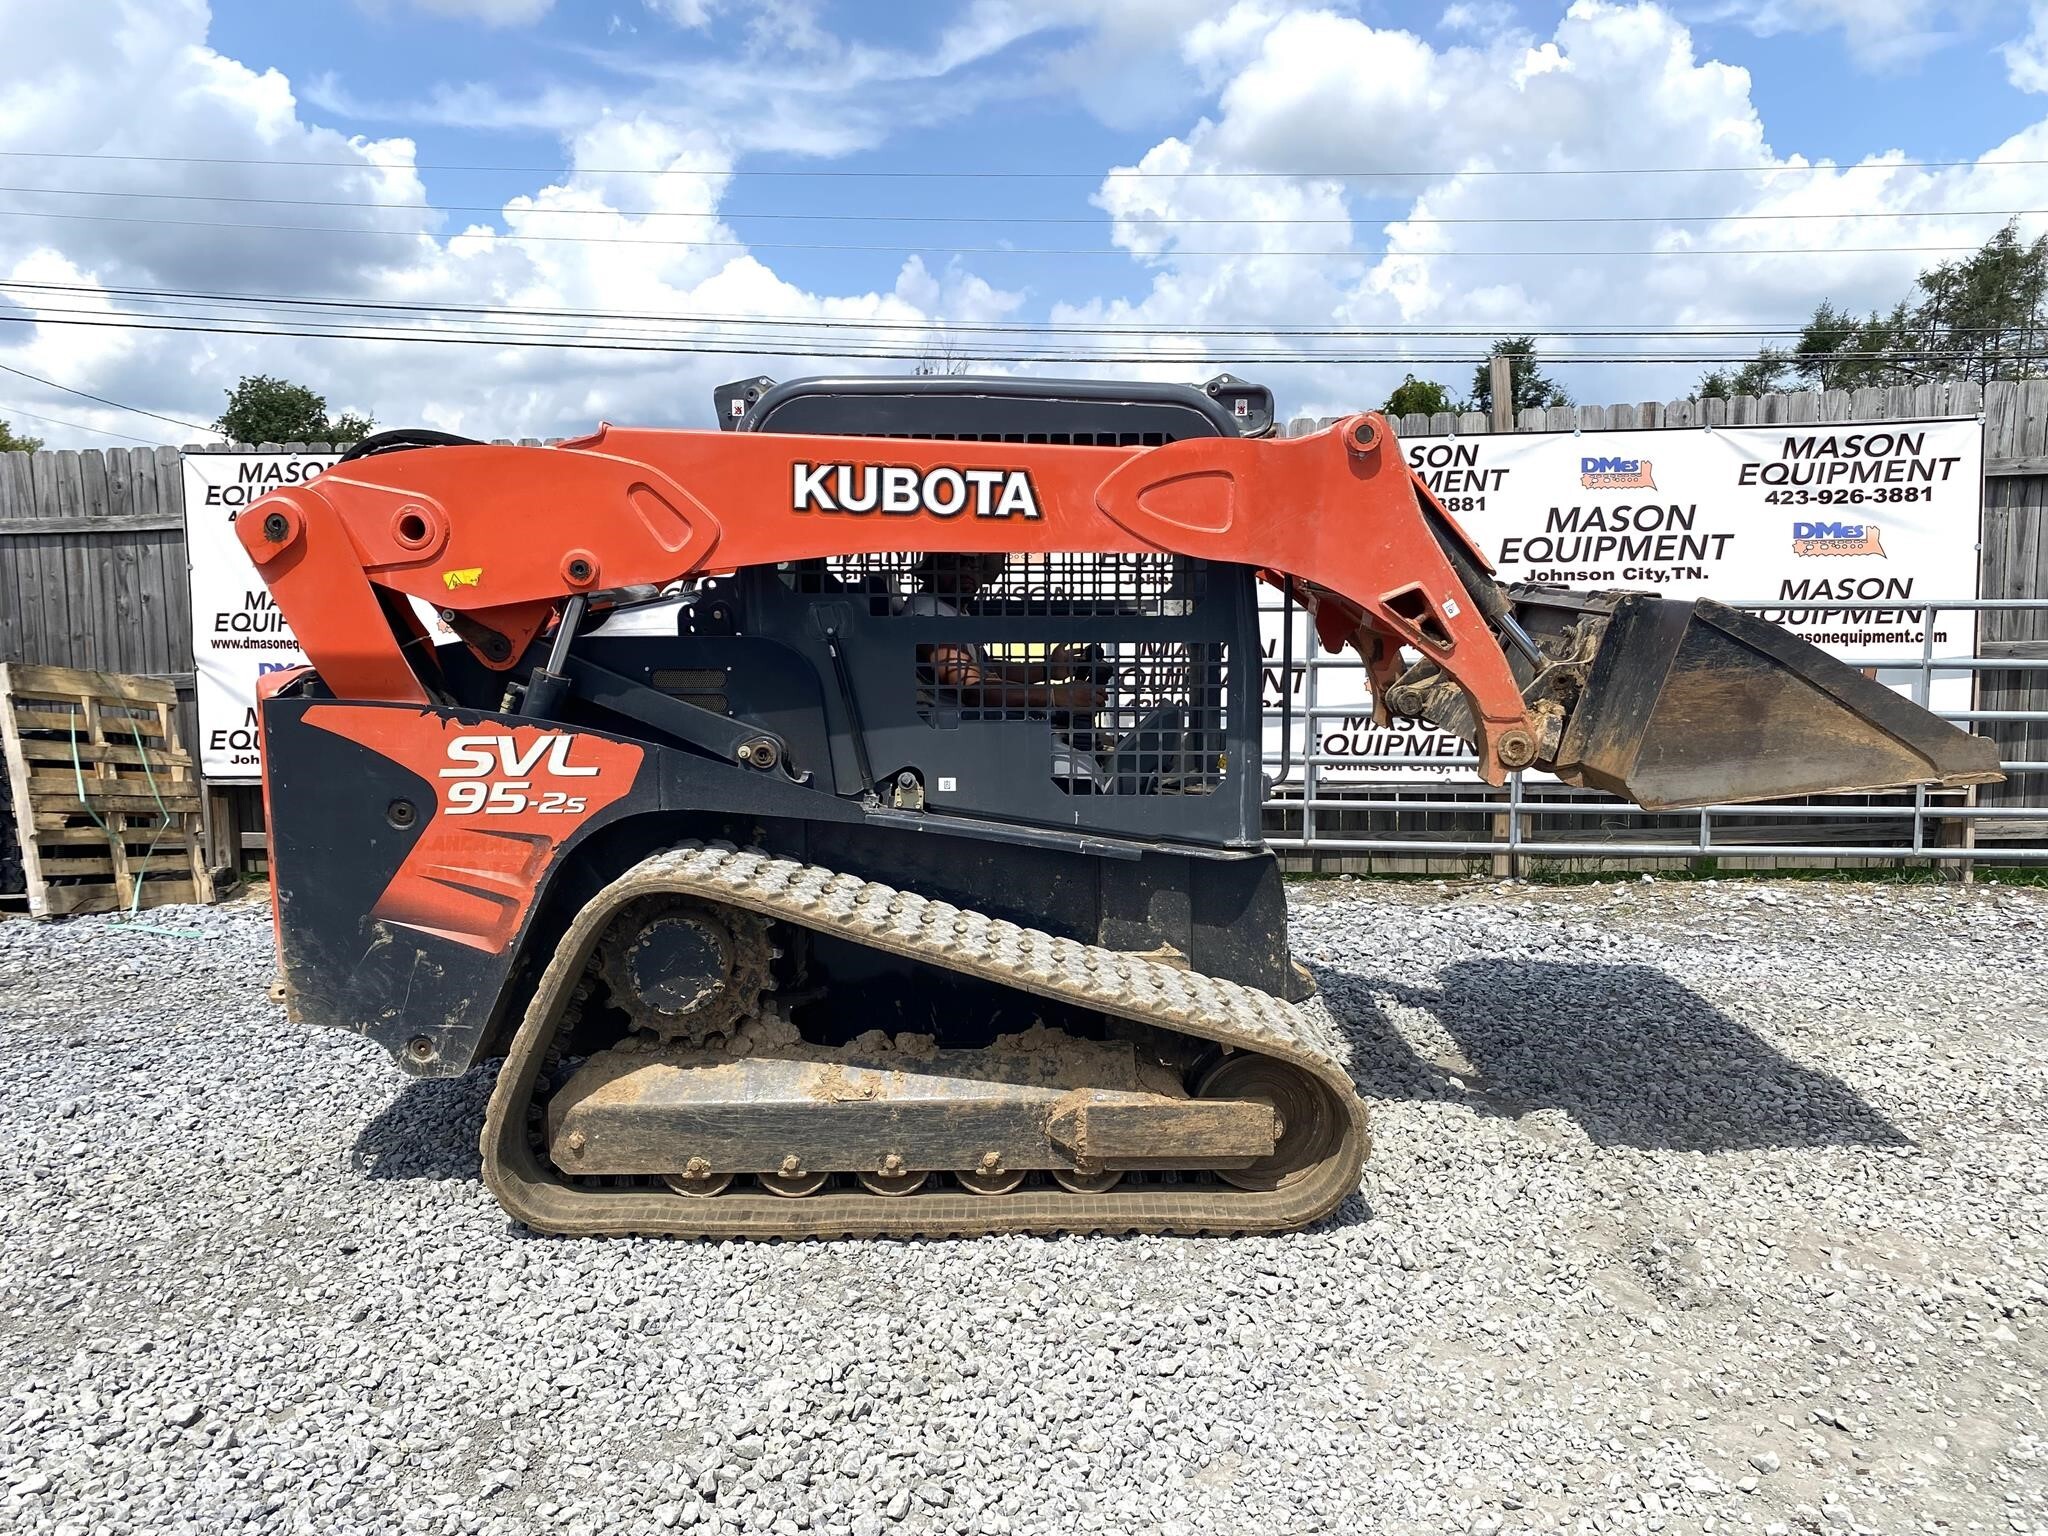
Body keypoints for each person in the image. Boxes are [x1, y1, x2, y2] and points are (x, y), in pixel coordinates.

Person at [899, 552, 1111, 789]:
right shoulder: (928, 614)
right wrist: (1055, 695)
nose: (968, 571)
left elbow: (988, 668)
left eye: (975, 564)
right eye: (956, 562)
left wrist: (1047, 670)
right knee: (1072, 773)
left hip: (972, 732)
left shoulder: (953, 611)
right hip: (951, 737)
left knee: (1076, 760)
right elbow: (972, 687)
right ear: (932, 570)